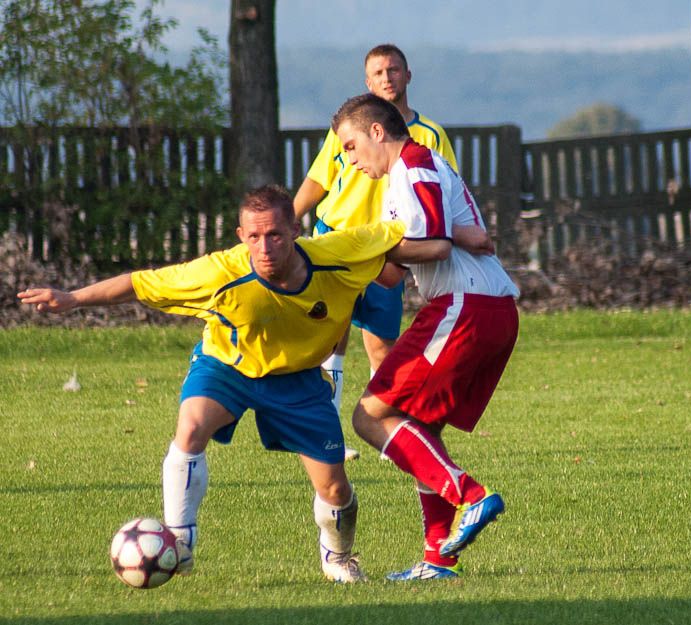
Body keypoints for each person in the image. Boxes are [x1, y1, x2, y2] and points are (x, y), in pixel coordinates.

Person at [16, 185, 442, 583]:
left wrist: (462, 239)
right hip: (227, 367)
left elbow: (405, 232)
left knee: (335, 488)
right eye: (253, 237)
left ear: (296, 229)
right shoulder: (220, 273)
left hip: (298, 380)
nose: (264, 246)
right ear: (241, 236)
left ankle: (337, 555)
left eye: (275, 235)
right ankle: (180, 542)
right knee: (191, 426)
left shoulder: (338, 253)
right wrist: (72, 299)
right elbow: (140, 284)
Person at [331, 93, 519, 581]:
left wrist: (365, 243)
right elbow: (396, 272)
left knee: (369, 417)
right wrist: (352, 258)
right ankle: (438, 558)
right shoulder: (408, 174)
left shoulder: (412, 166)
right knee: (420, 429)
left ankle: (470, 496)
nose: (350, 161)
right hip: (485, 308)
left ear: (376, 132)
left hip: (465, 306)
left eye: (350, 147)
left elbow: (433, 245)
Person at [294, 44, 457, 460]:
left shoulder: (430, 136)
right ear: (367, 82)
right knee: (331, 337)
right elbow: (319, 178)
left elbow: (447, 185)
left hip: (386, 248)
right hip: (337, 237)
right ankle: (328, 436)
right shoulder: (348, 129)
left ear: (408, 75)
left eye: (393, 69)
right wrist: (291, 216)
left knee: (382, 344)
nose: (387, 78)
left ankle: (388, 432)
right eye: (378, 73)